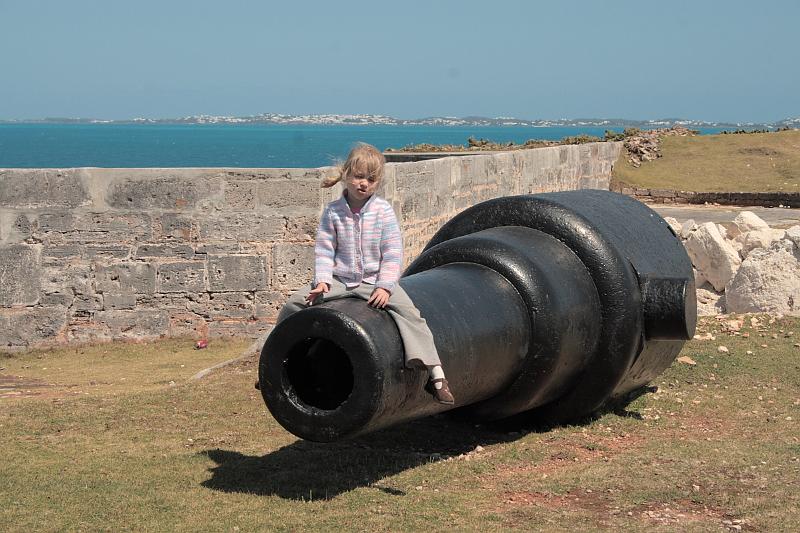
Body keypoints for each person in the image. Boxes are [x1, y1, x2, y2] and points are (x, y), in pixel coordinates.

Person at [274, 143, 454, 404]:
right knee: (294, 304)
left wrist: (385, 285)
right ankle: (276, 357)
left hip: (373, 281)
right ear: (346, 175)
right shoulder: (333, 213)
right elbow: (325, 250)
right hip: (339, 280)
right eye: (359, 177)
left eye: (371, 179)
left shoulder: (382, 212)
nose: (363, 184)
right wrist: (323, 281)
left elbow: (392, 252)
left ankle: (437, 375)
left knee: (410, 315)